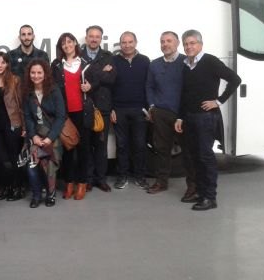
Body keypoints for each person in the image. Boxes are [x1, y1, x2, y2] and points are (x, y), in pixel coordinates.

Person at [175, 30, 241, 211]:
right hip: (189, 117)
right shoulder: (185, 65)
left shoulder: (210, 61)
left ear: (200, 44)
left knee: (205, 158)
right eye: (186, 44)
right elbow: (184, 94)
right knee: (193, 157)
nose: (188, 47)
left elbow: (235, 79)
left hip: (206, 118)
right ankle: (199, 192)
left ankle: (210, 198)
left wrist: (218, 101)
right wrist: (180, 117)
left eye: (192, 43)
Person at [145, 32, 195, 195]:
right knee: (161, 149)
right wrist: (152, 107)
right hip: (160, 113)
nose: (165, 44)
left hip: (182, 114)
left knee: (187, 150)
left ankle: (192, 186)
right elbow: (149, 87)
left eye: (169, 41)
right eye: (162, 41)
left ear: (177, 43)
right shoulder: (155, 64)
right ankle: (161, 182)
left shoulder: (186, 62)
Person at [51, 33, 93, 201]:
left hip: (82, 112)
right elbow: (52, 89)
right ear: (61, 47)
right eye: (63, 43)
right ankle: (69, 183)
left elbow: (96, 83)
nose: (67, 45)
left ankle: (82, 183)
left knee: (83, 150)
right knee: (68, 150)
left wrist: (90, 86)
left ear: (75, 43)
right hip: (65, 114)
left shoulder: (85, 64)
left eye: (69, 41)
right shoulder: (56, 65)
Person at [23, 59, 66, 208]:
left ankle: (51, 193)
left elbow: (61, 116)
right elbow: (27, 117)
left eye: (39, 72)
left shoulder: (54, 90)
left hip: (52, 135)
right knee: (32, 165)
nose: (36, 76)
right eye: (33, 72)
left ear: (45, 73)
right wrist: (33, 136)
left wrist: (50, 138)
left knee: (49, 166)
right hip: (36, 135)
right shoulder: (28, 92)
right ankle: (36, 194)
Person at [111, 31, 151, 190]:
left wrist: (148, 109)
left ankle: (140, 176)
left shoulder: (145, 61)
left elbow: (149, 85)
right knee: (121, 145)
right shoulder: (113, 61)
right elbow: (109, 86)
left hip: (139, 110)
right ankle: (122, 176)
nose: (127, 45)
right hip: (119, 109)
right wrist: (112, 108)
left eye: (130, 42)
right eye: (124, 42)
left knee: (140, 144)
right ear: (120, 44)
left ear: (136, 42)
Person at [81, 25, 116, 193]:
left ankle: (101, 179)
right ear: (86, 38)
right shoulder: (78, 56)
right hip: (85, 107)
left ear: (101, 39)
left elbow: (112, 79)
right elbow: (78, 81)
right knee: (86, 146)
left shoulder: (108, 56)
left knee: (101, 146)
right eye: (91, 36)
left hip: (103, 108)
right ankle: (88, 179)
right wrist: (102, 72)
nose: (94, 39)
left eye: (97, 36)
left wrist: (93, 77)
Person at [0, 52, 25, 201]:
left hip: (12, 123)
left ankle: (17, 188)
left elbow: (22, 104)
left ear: (7, 65)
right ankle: (5, 187)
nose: (0, 65)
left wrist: (24, 127)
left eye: (3, 62)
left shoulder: (15, 80)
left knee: (13, 158)